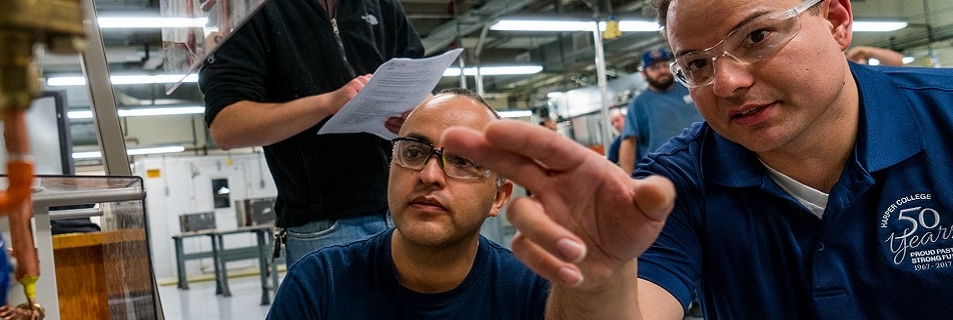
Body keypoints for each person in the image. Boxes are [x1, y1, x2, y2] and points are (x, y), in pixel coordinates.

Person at [440, 0, 953, 318]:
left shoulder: (943, 117)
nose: (726, 82)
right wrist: (599, 282)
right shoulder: (677, 184)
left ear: (837, 21)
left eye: (757, 36)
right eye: (697, 64)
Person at [266, 88, 550, 319]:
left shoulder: (533, 291)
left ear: (499, 197)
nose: (429, 175)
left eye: (462, 161)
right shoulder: (319, 284)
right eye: (413, 152)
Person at [198, 0, 424, 266]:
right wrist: (328, 104)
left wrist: (419, 114)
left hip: (407, 210)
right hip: (325, 228)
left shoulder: (382, 6)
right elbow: (227, 127)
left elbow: (422, 84)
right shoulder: (252, 10)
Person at [618, 48, 704, 174]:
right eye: (654, 68)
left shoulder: (690, 88)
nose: (662, 71)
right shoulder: (639, 104)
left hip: (706, 161)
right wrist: (627, 181)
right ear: (644, 74)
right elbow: (629, 142)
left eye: (664, 65)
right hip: (665, 171)